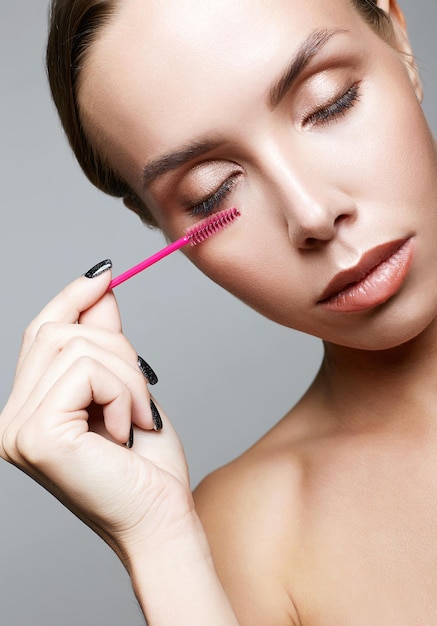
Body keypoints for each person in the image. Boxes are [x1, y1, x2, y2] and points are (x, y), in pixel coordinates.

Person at [1, 0, 437, 623]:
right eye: (213, 194)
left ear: (396, 32)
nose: (311, 213)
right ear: (154, 222)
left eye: (329, 102)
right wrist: (160, 544)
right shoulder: (250, 538)